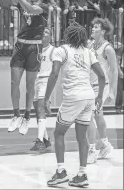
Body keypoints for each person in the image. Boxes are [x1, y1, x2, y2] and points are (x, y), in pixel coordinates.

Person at [0, 0, 49, 135]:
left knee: (30, 86)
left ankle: (26, 116)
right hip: (20, 46)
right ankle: (15, 115)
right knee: (14, 82)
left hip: (34, 48)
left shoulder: (44, 7)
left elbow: (31, 9)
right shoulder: (24, 3)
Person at [44, 22, 106, 187]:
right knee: (81, 137)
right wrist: (100, 96)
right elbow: (101, 75)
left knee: (58, 133)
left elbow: (55, 72)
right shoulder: (88, 52)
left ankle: (60, 172)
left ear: (68, 35)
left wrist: (46, 98)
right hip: (89, 96)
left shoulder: (61, 50)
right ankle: (82, 174)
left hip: (73, 96)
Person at [87, 18, 118, 164]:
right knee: (98, 116)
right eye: (92, 27)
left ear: (103, 31)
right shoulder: (89, 44)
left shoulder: (108, 49)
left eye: (96, 27)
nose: (92, 29)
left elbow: (114, 71)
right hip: (89, 85)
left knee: (89, 116)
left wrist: (112, 91)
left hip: (101, 87)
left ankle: (92, 150)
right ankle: (106, 145)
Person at [31, 27, 54, 150]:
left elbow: (56, 69)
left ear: (51, 37)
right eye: (42, 32)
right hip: (36, 80)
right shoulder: (36, 50)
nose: (44, 34)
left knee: (40, 109)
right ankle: (45, 139)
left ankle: (40, 140)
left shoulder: (53, 50)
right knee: (37, 111)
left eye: (47, 32)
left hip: (45, 80)